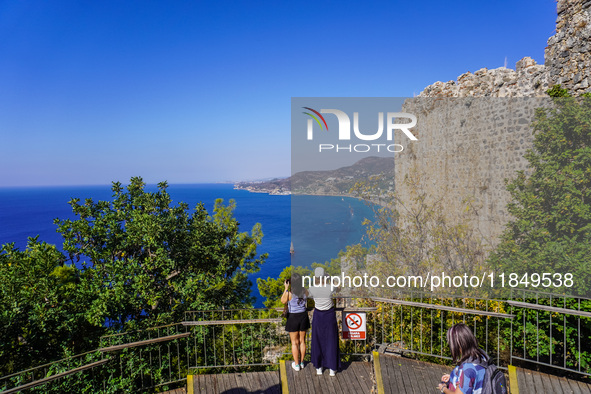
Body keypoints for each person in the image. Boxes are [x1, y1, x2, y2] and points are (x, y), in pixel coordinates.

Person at [308, 267, 340, 376]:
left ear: (315, 277)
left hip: (318, 315)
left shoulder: (312, 288)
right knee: (331, 340)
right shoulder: (330, 287)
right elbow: (338, 288)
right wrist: (330, 280)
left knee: (318, 341)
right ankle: (332, 368)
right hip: (329, 315)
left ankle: (318, 367)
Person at [438, 323, 488, 394]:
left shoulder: (467, 368)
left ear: (457, 344)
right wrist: (454, 377)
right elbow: (474, 378)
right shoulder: (480, 355)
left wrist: (443, 388)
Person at [281, 272, 310, 372]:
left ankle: (296, 365)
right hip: (303, 316)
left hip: (293, 317)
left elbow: (282, 301)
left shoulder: (289, 294)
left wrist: (286, 288)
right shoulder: (305, 291)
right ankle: (302, 362)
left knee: (294, 343)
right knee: (302, 341)